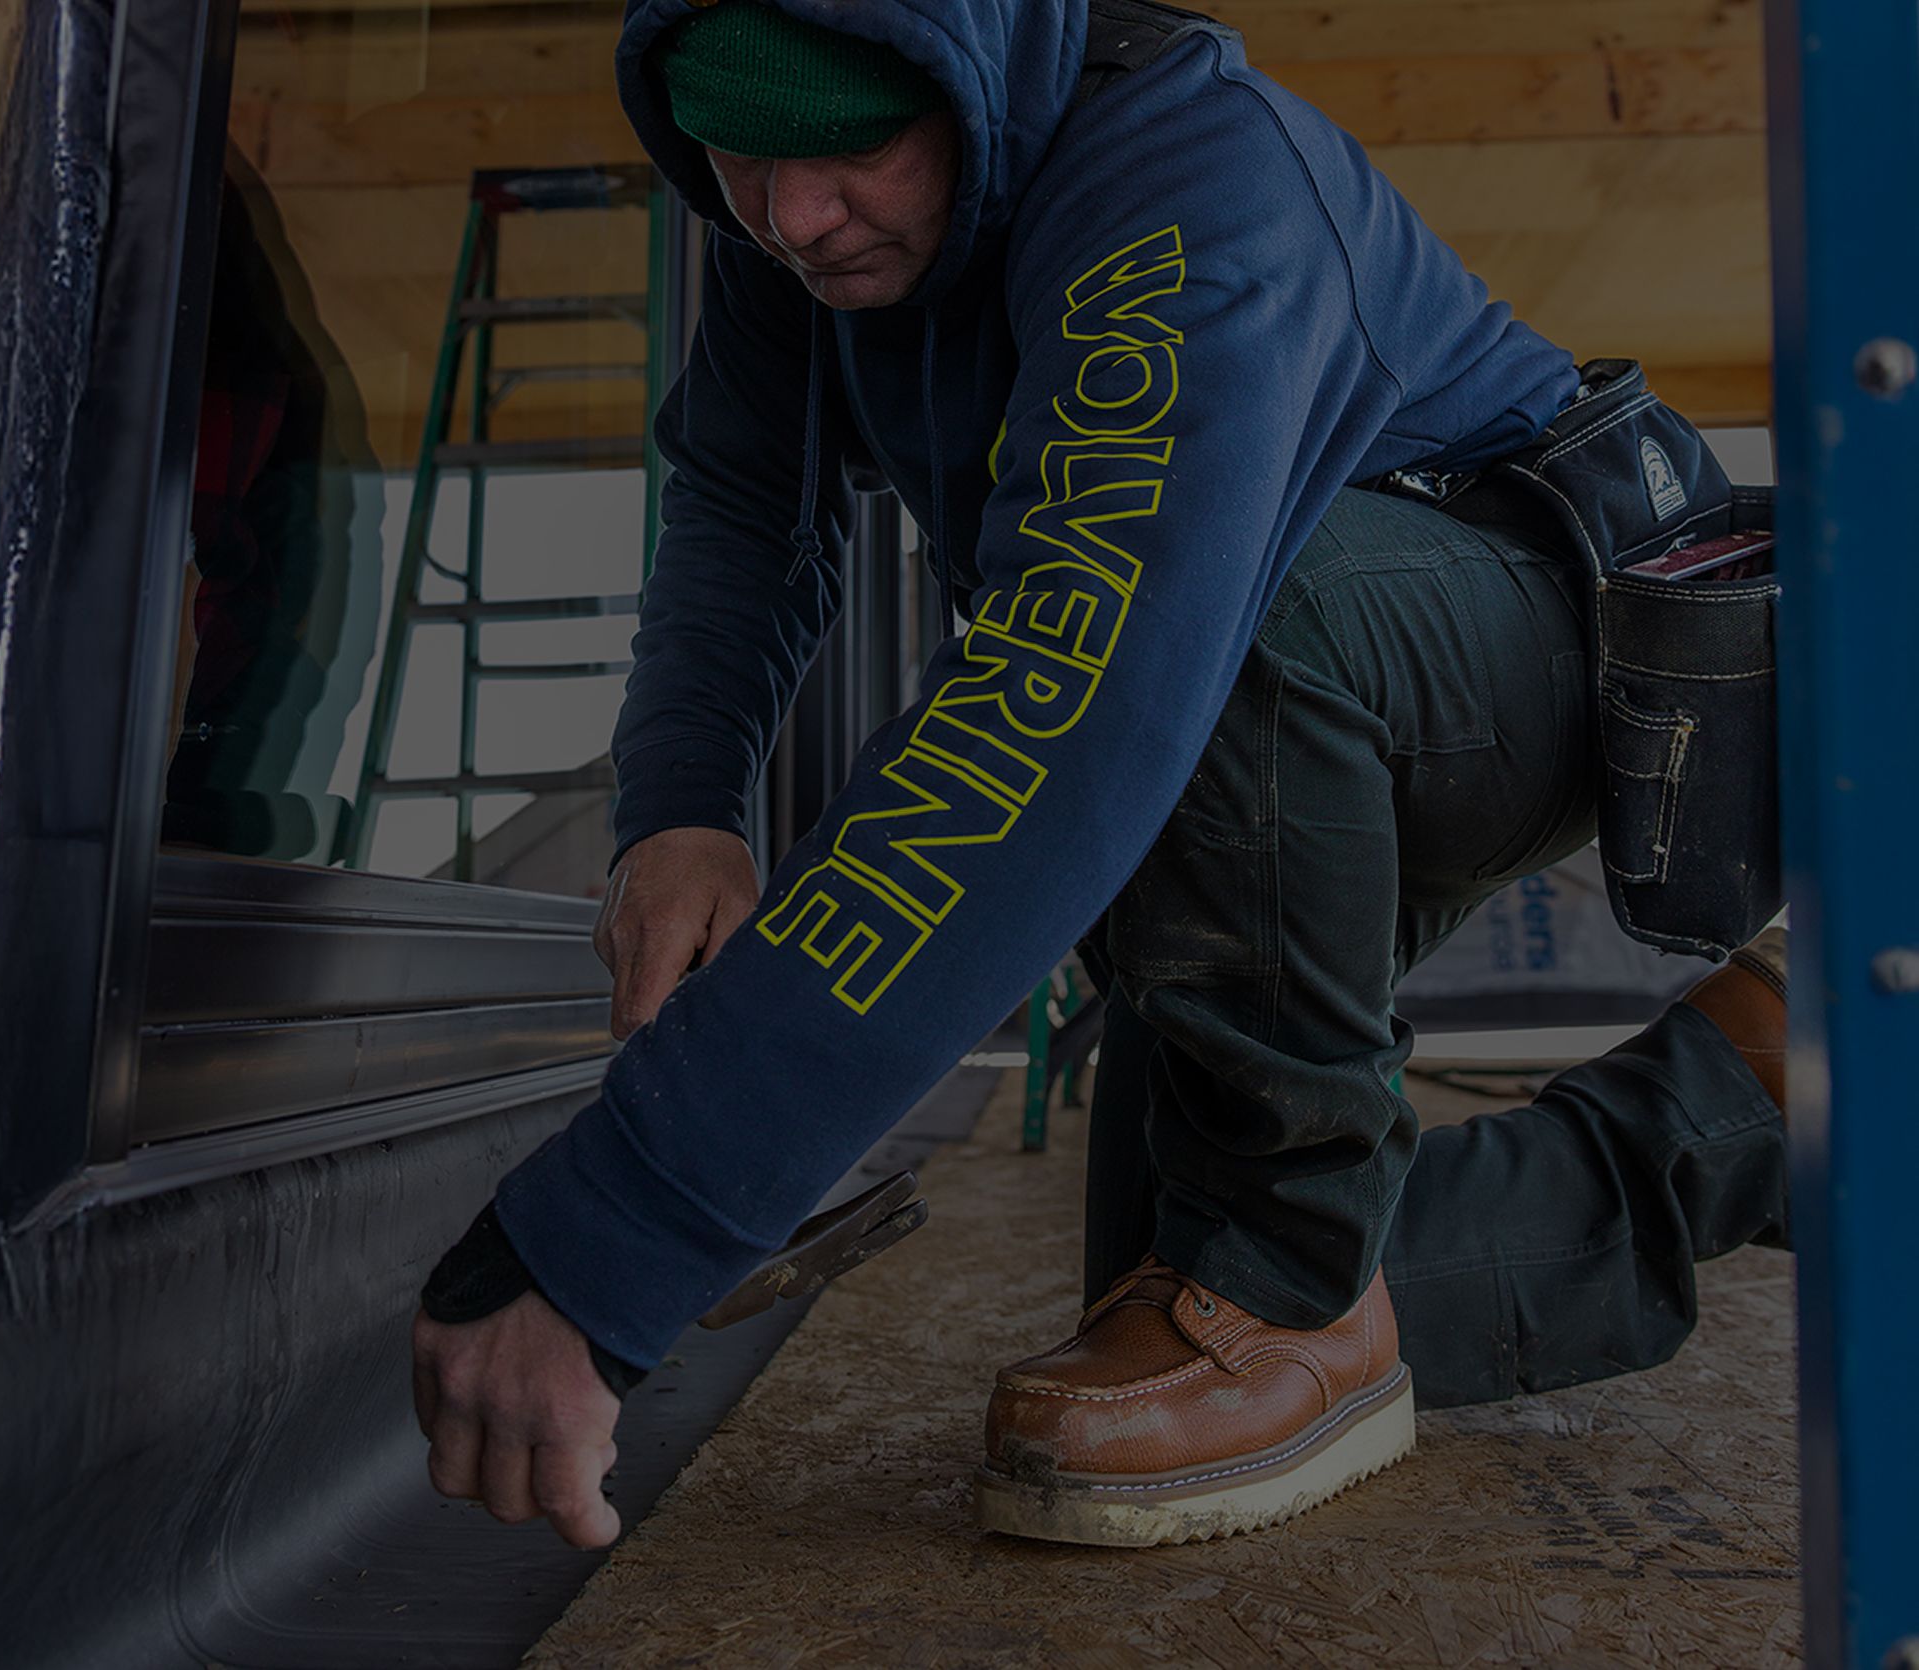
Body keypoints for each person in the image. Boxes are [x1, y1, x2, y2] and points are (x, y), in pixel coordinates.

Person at [409, 0, 1789, 1552]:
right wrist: (678, 808)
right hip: (1271, 672)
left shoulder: (1193, 181)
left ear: (970, 79)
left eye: (852, 145)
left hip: (1535, 640)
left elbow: (1069, 690)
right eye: (738, 156)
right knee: (1148, 1310)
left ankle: (1295, 1277)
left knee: (1211, 643)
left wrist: (627, 1220)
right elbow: (745, 506)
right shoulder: (796, 228)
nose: (793, 217)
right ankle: (1751, 1102)